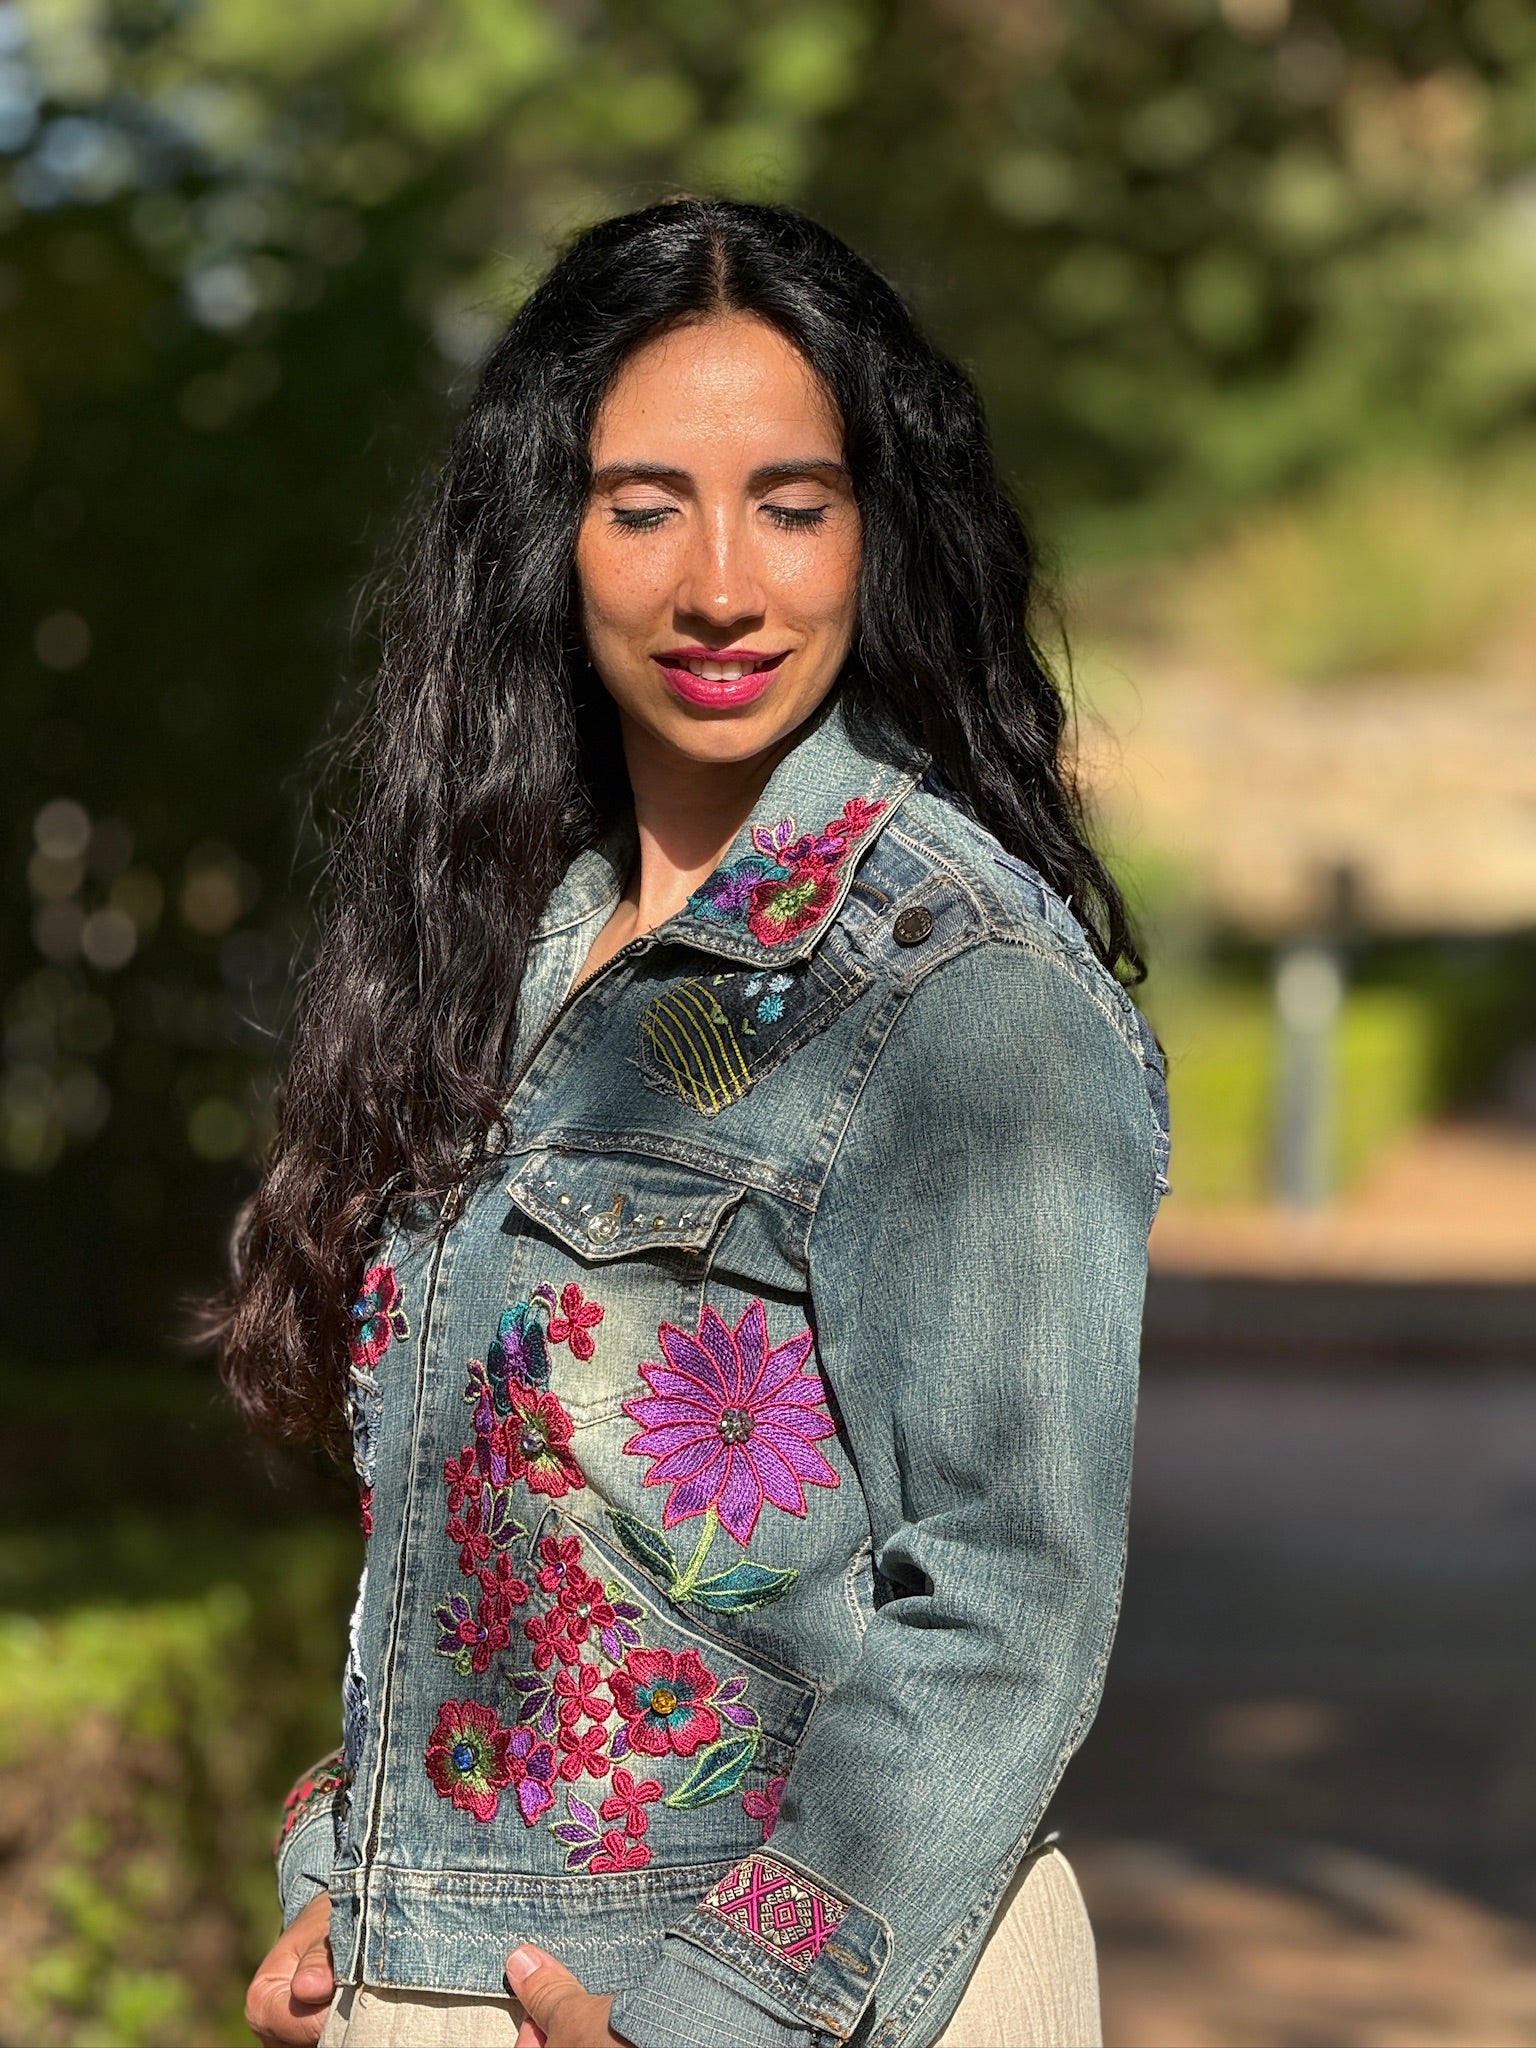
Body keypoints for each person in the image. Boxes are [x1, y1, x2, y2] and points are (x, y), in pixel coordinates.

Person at [227, 197, 1169, 2048]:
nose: (721, 584)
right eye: (646, 506)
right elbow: (490, 1517)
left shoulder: (960, 990)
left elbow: (1004, 1601)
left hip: (788, 2011)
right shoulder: (496, 950)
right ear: (550, 536)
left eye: (792, 507)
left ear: (879, 533)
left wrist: (717, 2021)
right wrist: (360, 1870)